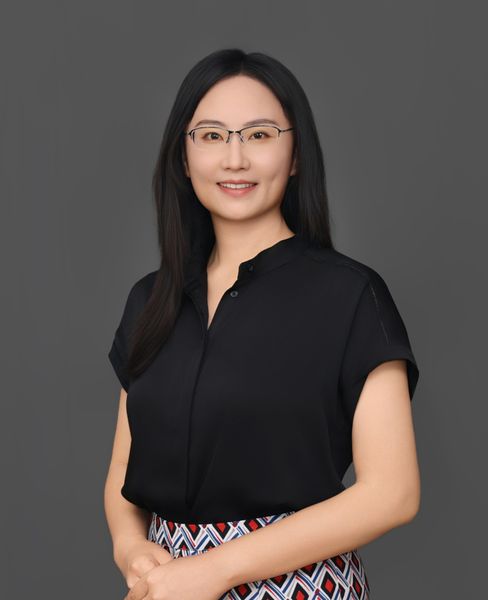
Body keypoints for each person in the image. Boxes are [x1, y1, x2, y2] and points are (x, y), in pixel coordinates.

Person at [104, 48, 421, 600]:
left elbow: (392, 493)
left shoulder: (351, 295)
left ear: (295, 155)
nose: (235, 159)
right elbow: (123, 470)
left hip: (301, 586)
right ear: (184, 157)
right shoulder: (149, 300)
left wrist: (214, 570)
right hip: (167, 586)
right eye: (211, 136)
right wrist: (131, 549)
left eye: (259, 135)